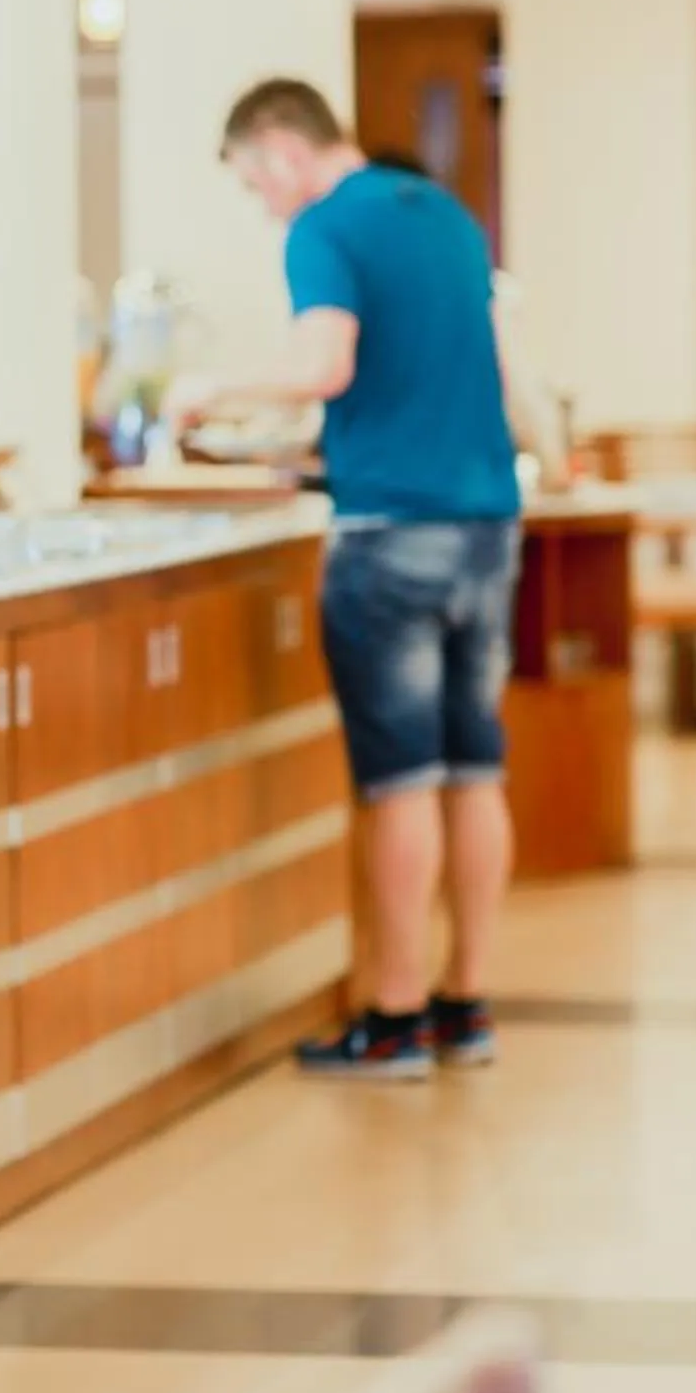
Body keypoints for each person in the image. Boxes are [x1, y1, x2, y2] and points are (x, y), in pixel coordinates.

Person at [171, 78, 523, 1081]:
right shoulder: (447, 215)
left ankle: (398, 1015)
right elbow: (470, 368)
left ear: (282, 151)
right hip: (487, 521)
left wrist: (211, 388)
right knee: (474, 767)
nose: (265, 204)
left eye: (254, 183)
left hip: (391, 535)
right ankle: (468, 1003)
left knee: (401, 780)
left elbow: (325, 361)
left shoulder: (325, 227)